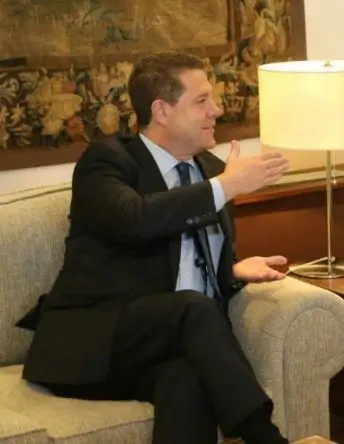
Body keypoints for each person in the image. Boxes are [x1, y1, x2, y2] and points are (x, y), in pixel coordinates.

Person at [15, 52, 293, 444]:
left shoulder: (211, 170)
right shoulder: (107, 162)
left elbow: (183, 257)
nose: (216, 109)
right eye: (202, 100)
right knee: (194, 307)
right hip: (92, 342)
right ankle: (266, 438)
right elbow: (138, 220)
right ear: (161, 110)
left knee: (187, 377)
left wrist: (229, 270)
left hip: (159, 346)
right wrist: (227, 187)